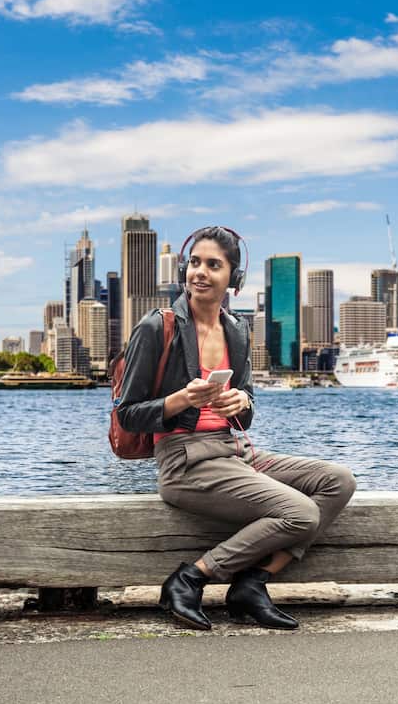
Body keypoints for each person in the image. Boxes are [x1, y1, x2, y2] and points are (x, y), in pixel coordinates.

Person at [116, 226, 356, 630]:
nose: (201, 273)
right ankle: (191, 578)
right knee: (299, 513)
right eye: (195, 263)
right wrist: (182, 400)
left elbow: (244, 413)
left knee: (338, 481)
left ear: (234, 278)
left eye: (213, 265)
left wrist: (242, 402)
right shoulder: (158, 327)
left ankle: (254, 581)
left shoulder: (237, 330)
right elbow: (128, 413)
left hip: (234, 452)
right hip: (184, 460)